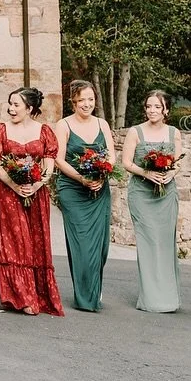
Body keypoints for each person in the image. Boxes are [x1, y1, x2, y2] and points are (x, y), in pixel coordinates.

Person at [0, 87, 63, 316]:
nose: (11, 109)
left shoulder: (44, 132)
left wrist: (36, 185)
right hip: (9, 193)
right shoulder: (1, 130)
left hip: (36, 193)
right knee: (15, 241)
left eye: (16, 105)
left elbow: (49, 166)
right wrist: (14, 185)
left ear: (30, 108)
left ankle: (38, 295)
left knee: (35, 241)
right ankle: (20, 297)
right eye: (9, 104)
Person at [52, 80, 116, 312]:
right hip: (73, 188)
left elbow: (110, 155)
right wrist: (81, 178)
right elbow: (59, 159)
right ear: (74, 102)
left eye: (91, 99)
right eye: (82, 100)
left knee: (100, 246)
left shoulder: (102, 124)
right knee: (82, 243)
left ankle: (94, 288)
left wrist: (103, 171)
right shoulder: (64, 125)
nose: (87, 104)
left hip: (100, 189)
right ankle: (84, 296)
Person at [122, 89, 182, 313]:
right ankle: (151, 298)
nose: (152, 110)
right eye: (149, 106)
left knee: (165, 243)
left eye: (157, 106)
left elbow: (177, 162)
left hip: (166, 194)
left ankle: (169, 298)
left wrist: (170, 175)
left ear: (166, 109)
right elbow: (127, 163)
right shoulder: (135, 132)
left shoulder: (173, 132)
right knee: (148, 243)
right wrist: (147, 174)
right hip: (141, 193)